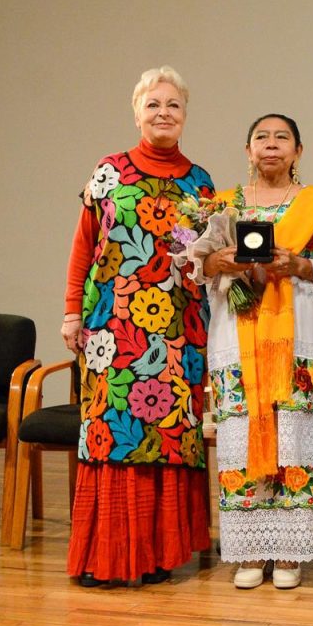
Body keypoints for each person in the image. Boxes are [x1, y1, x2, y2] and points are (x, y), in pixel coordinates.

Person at [60, 66, 213, 586]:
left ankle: (155, 557)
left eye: (173, 105)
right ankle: (107, 558)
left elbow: (209, 260)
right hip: (112, 330)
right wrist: (70, 312)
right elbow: (84, 245)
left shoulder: (201, 183)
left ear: (185, 116)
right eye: (154, 104)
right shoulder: (108, 171)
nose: (163, 113)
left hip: (177, 332)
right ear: (137, 113)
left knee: (168, 437)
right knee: (112, 437)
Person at [196, 114, 313, 589]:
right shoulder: (219, 206)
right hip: (237, 334)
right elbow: (199, 265)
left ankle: (289, 552)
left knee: (297, 437)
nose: (272, 145)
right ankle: (250, 550)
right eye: (261, 137)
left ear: (298, 151)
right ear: (248, 150)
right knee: (242, 433)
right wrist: (220, 260)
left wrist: (299, 264)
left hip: (301, 332)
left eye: (283, 138)